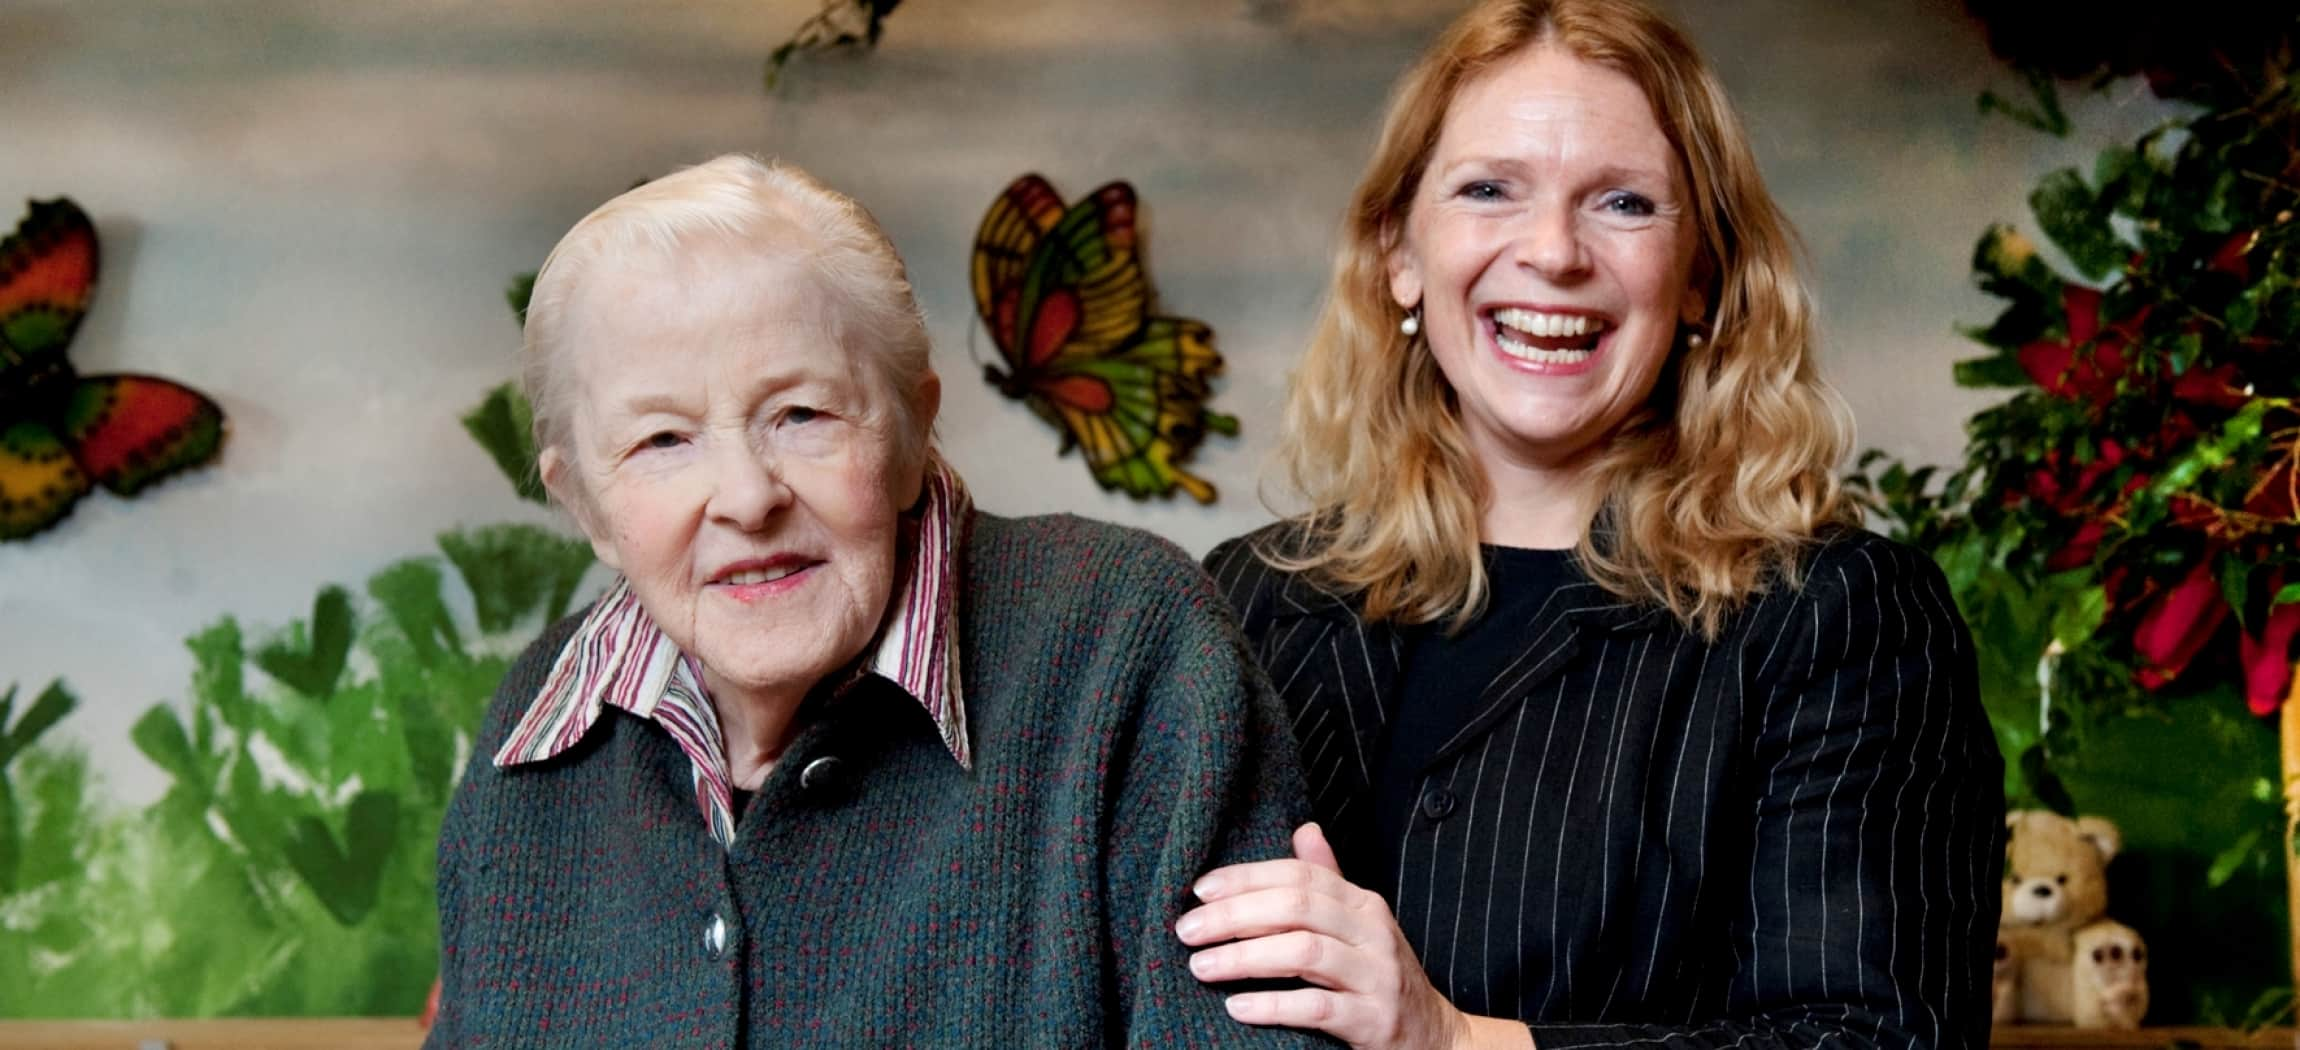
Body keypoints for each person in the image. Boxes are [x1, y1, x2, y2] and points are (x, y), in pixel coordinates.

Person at [1181, 2, 2005, 1047]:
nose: (1553, 253)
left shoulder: (1834, 620)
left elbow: (1873, 1036)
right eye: (1488, 189)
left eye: (1621, 203)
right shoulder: (1248, 596)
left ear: (1700, 272)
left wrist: (1450, 1041)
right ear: (1398, 251)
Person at [426, 155, 1323, 1047]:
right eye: (664, 438)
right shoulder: (536, 729)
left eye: (801, 415)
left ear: (909, 430)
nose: (746, 496)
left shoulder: (1128, 640)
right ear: (586, 503)